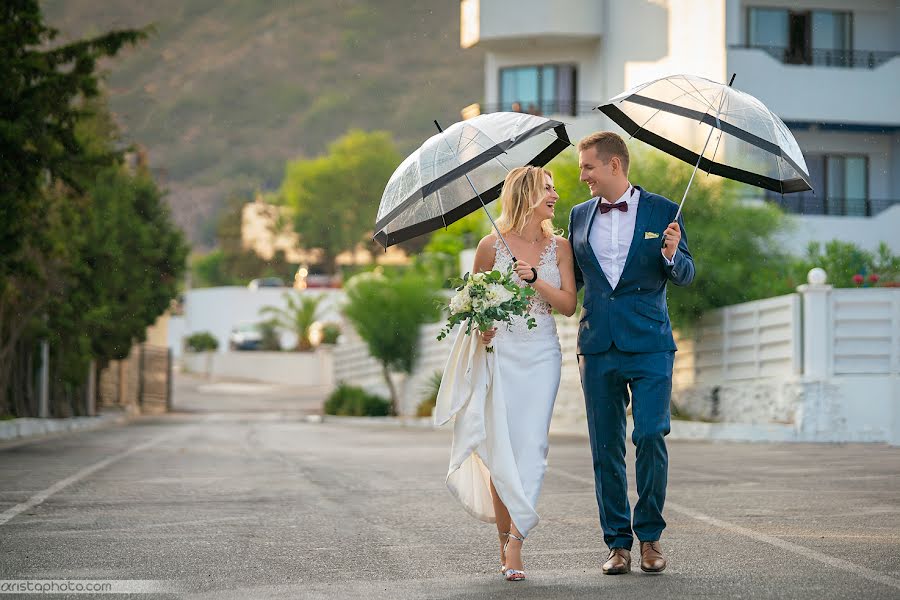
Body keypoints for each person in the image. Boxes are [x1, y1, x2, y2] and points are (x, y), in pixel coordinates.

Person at [436, 165, 576, 582]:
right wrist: (483, 327)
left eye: (553, 189)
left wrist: (534, 279)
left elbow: (568, 304)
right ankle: (504, 539)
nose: (554, 195)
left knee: (532, 447)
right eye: (547, 189)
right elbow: (473, 306)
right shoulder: (488, 246)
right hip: (502, 353)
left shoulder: (561, 248)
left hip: (542, 356)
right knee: (502, 452)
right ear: (527, 194)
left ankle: (517, 542)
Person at [568, 132, 695, 575]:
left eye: (588, 167)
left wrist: (672, 254)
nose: (581, 175)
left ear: (614, 166)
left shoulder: (665, 211)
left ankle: (651, 538)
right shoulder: (578, 215)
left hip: (650, 344)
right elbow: (573, 281)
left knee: (650, 436)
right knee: (605, 448)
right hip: (597, 344)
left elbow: (685, 274)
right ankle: (617, 545)